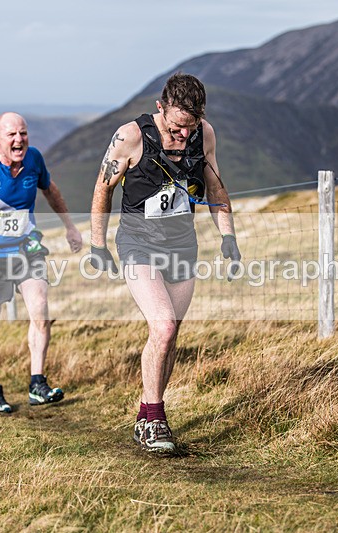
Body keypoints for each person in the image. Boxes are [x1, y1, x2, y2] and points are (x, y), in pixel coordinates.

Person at [89, 73, 241, 452]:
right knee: (164, 326)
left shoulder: (204, 134)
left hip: (182, 245)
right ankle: (156, 420)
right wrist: (97, 244)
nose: (183, 135)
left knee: (169, 337)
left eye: (191, 126)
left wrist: (228, 236)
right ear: (161, 109)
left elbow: (215, 186)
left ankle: (146, 416)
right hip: (138, 242)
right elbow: (103, 188)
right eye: (176, 127)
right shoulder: (130, 136)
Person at [0, 112, 82, 413]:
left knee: (40, 309)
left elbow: (51, 190)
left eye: (23, 133)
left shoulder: (34, 159)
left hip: (27, 249)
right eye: (11, 134)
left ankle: (38, 384)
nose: (18, 139)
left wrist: (70, 227)